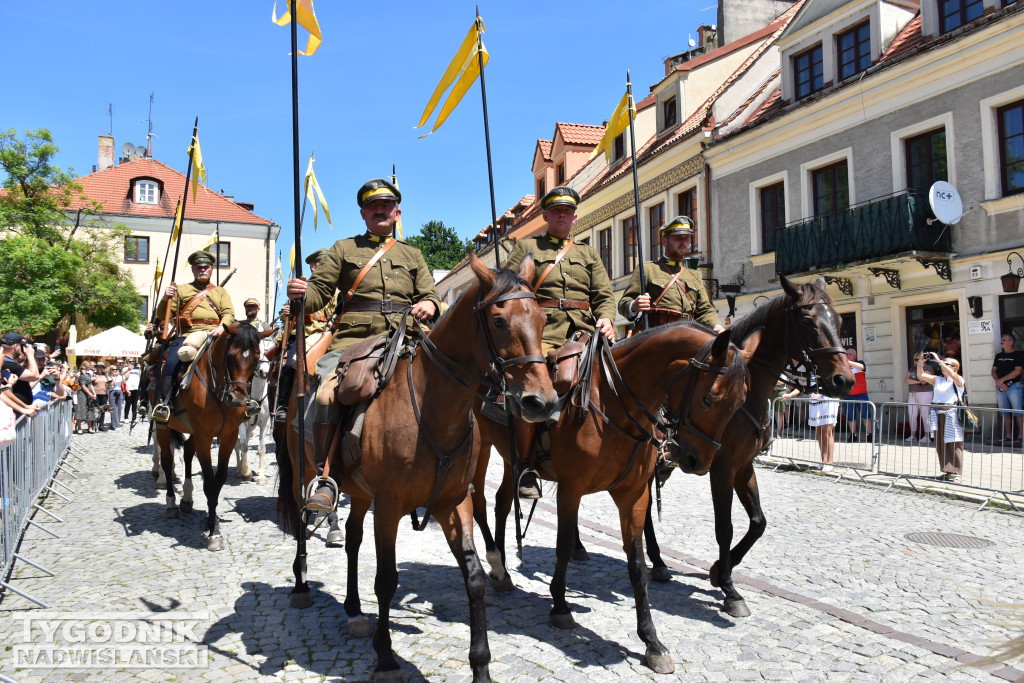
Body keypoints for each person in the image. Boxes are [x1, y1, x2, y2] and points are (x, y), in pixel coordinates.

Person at [286, 178, 441, 512]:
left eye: (386, 206)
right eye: (373, 206)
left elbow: (430, 294)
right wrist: (301, 293)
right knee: (328, 391)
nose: (380, 210)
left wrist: (430, 304)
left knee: (448, 383)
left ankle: (450, 465)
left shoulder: (412, 254)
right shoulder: (343, 249)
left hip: (406, 339)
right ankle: (326, 477)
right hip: (353, 343)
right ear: (363, 213)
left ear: (397, 212)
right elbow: (318, 295)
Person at [503, 186, 617, 498]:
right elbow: (509, 290)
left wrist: (606, 317)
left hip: (584, 332)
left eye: (568, 211)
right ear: (546, 215)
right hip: (542, 335)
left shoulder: (587, 254)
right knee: (535, 389)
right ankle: (525, 466)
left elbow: (604, 297)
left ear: (575, 217)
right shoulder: (526, 246)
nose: (562, 215)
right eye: (556, 210)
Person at [152, 250, 236, 423]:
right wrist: (165, 298)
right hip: (188, 335)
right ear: (193, 269)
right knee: (171, 363)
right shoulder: (181, 290)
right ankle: (165, 404)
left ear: (211, 269)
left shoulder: (220, 292)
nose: (202, 270)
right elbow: (163, 314)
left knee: (239, 361)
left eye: (206, 267)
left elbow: (228, 313)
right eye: (199, 267)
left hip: (215, 333)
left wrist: (222, 327)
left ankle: (244, 402)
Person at [618, 215, 725, 333]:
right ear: (664, 241)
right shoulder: (647, 269)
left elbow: (705, 310)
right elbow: (623, 303)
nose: (684, 242)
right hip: (656, 336)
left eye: (687, 238)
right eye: (678, 238)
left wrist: (717, 326)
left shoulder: (694, 275)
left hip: (688, 335)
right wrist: (634, 305)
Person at [274, 248, 338, 422]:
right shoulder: (302, 288)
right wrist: (288, 311)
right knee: (290, 364)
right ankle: (283, 405)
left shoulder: (337, 291)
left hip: (329, 335)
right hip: (306, 334)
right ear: (313, 267)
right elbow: (289, 314)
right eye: (322, 264)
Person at [916, 352, 965, 484]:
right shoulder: (938, 379)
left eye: (947, 364)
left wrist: (939, 361)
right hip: (937, 411)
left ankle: (957, 472)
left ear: (954, 367)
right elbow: (921, 376)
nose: (943, 366)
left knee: (954, 442)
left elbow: (954, 376)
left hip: (951, 412)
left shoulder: (958, 379)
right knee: (940, 442)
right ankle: (947, 470)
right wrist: (920, 363)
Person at [991, 334, 1023, 443]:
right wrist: (999, 382)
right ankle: (1008, 435)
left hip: (1014, 385)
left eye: (1004, 340)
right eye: (1001, 340)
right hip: (1000, 387)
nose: (1001, 342)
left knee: (1018, 411)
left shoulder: (1018, 355)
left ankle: (1021, 435)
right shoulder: (999, 356)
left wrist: (1002, 380)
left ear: (1011, 342)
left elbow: (1018, 371)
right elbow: (993, 370)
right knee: (1004, 411)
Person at [1, 332, 40, 407]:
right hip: (14, 411)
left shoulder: (8, 362)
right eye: (21, 345)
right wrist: (30, 355)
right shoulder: (8, 363)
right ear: (16, 346)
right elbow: (34, 376)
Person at [842, 348, 872, 442]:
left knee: (866, 415)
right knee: (851, 416)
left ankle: (869, 435)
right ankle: (853, 435)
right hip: (848, 395)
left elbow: (862, 367)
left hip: (861, 394)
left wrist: (848, 362)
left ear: (855, 355)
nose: (848, 356)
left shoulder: (860, 362)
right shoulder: (843, 366)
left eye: (850, 354)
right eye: (846, 354)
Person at [807, 391, 839, 472]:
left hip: (828, 399)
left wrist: (820, 393)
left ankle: (830, 462)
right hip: (816, 399)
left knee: (827, 432)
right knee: (819, 431)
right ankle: (824, 460)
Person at [905, 352, 932, 443]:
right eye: (915, 359)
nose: (917, 361)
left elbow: (923, 379)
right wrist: (916, 382)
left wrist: (917, 380)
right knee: (912, 414)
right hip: (912, 393)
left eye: (919, 359)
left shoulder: (928, 368)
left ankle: (927, 436)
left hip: (925, 393)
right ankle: (913, 435)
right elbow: (906, 380)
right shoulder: (912, 368)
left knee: (925, 414)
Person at [92, 362, 110, 430]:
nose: (99, 369)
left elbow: (110, 383)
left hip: (104, 394)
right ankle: (94, 424)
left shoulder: (106, 375)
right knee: (95, 410)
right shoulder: (94, 375)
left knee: (103, 410)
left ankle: (101, 425)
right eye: (98, 367)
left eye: (101, 367)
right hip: (96, 394)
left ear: (103, 368)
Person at [107, 363, 124, 430]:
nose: (115, 370)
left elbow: (123, 382)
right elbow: (111, 384)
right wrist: (116, 377)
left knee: (119, 408)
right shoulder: (109, 377)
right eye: (113, 369)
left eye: (116, 369)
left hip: (119, 391)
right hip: (113, 392)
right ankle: (114, 425)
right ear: (110, 370)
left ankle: (117, 423)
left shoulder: (119, 376)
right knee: (113, 409)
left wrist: (121, 375)